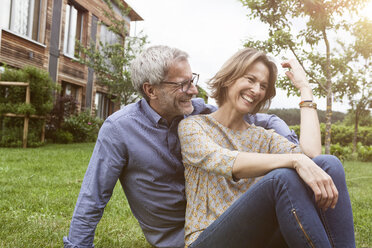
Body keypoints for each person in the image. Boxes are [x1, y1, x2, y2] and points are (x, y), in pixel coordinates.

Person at [63, 45, 340, 248]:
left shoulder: (195, 110)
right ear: (151, 90)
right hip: (183, 237)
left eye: (192, 80)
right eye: (183, 84)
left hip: (235, 223)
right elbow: (93, 196)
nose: (194, 91)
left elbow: (243, 115)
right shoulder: (121, 129)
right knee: (282, 178)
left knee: (328, 165)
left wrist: (302, 94)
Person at [178, 48, 355, 247]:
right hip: (207, 239)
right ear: (229, 78)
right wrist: (294, 160)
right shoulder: (193, 126)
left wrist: (305, 88)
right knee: (283, 179)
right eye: (250, 79)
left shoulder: (263, 137)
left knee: (328, 163)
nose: (256, 90)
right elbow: (224, 160)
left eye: (263, 85)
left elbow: (313, 155)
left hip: (258, 239)